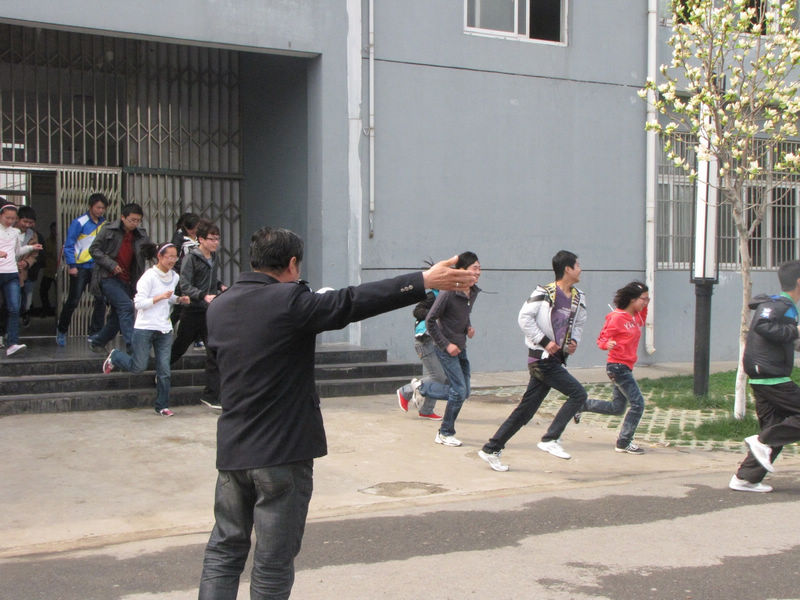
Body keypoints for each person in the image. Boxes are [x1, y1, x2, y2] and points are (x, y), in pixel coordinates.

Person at [197, 227, 476, 600]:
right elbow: (352, 301)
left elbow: (216, 379)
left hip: (233, 451)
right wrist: (423, 280)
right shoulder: (290, 301)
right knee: (272, 562)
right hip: (281, 453)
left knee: (223, 551)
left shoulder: (220, 305)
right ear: (292, 263)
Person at [478, 250, 590, 472]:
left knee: (526, 410)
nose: (580, 269)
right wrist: (544, 341)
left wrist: (574, 341)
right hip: (542, 359)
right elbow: (524, 318)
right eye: (577, 265)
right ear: (567, 269)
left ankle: (491, 448)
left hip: (556, 360)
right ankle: (551, 438)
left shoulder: (578, 297)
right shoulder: (544, 292)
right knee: (579, 394)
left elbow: (579, 323)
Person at [729, 260, 800, 493]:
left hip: (763, 377)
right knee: (771, 435)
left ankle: (745, 478)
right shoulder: (781, 305)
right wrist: (795, 330)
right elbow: (763, 325)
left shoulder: (783, 305)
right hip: (772, 377)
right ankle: (761, 441)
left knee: (776, 427)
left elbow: (783, 338)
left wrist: (794, 335)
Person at [101, 242, 189, 416]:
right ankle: (116, 356)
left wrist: (179, 300)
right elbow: (138, 303)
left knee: (164, 369)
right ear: (160, 256)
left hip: (164, 328)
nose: (172, 260)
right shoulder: (148, 277)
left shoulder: (174, 277)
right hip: (145, 327)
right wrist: (159, 297)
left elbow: (169, 297)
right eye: (169, 257)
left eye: (175, 257)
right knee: (138, 366)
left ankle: (162, 405)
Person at [415, 251, 482, 447]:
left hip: (461, 347)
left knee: (464, 392)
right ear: (461, 270)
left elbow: (463, 314)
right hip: (445, 348)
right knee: (459, 391)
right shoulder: (448, 293)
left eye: (479, 268)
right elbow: (430, 320)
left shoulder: (472, 292)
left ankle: (421, 388)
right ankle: (445, 432)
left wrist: (468, 327)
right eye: (474, 268)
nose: (478, 272)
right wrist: (446, 345)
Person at [579, 281, 650, 454]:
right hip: (617, 367)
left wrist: (645, 300)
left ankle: (581, 405)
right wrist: (607, 344)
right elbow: (601, 339)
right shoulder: (616, 317)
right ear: (632, 299)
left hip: (626, 366)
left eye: (648, 299)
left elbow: (644, 315)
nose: (646, 302)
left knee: (617, 408)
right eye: (643, 299)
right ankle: (624, 442)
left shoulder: (636, 317)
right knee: (638, 404)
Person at [168, 219, 226, 409]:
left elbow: (210, 279)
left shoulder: (214, 257)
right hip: (193, 310)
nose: (215, 243)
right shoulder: (191, 258)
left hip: (209, 312)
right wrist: (202, 295)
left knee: (213, 352)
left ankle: (211, 395)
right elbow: (185, 285)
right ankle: (161, 371)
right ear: (201, 239)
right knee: (180, 346)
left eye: (217, 239)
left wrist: (220, 286)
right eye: (212, 239)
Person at [87, 203, 151, 353]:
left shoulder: (141, 234)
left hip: (128, 279)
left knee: (117, 316)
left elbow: (147, 252)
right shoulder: (109, 230)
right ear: (123, 217)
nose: (135, 224)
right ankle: (132, 346)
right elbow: (94, 249)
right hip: (108, 277)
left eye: (138, 220)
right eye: (132, 220)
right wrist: (110, 264)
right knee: (126, 306)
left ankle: (98, 342)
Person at [56, 193, 108, 346]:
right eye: (98, 207)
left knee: (101, 299)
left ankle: (95, 332)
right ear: (91, 206)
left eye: (103, 208)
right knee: (74, 300)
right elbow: (69, 245)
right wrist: (72, 265)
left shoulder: (105, 224)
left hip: (97, 267)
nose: (100, 211)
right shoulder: (79, 222)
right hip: (80, 267)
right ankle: (61, 330)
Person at [395, 288, 447, 420]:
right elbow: (417, 311)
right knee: (438, 377)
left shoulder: (451, 296)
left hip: (438, 341)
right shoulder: (433, 295)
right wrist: (434, 314)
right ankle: (406, 391)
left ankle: (427, 410)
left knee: (441, 377)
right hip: (425, 341)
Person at [0, 203, 42, 356]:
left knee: (14, 307)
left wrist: (31, 248)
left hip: (12, 273)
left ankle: (12, 343)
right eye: (7, 218)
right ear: (1, 216)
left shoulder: (15, 233)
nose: (10, 221)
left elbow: (17, 251)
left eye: (13, 218)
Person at [15, 206, 42, 327]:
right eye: (24, 221)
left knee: (21, 301)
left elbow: (35, 254)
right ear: (18, 219)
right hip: (7, 271)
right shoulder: (9, 232)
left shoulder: (33, 235)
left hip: (23, 273)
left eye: (30, 222)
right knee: (11, 303)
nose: (27, 225)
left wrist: (26, 263)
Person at [39, 222, 58, 316]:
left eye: (56, 230)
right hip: (48, 270)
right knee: (43, 291)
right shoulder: (47, 241)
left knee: (59, 292)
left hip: (59, 270)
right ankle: (46, 309)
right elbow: (44, 254)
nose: (54, 232)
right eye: (53, 230)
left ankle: (58, 310)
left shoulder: (62, 241)